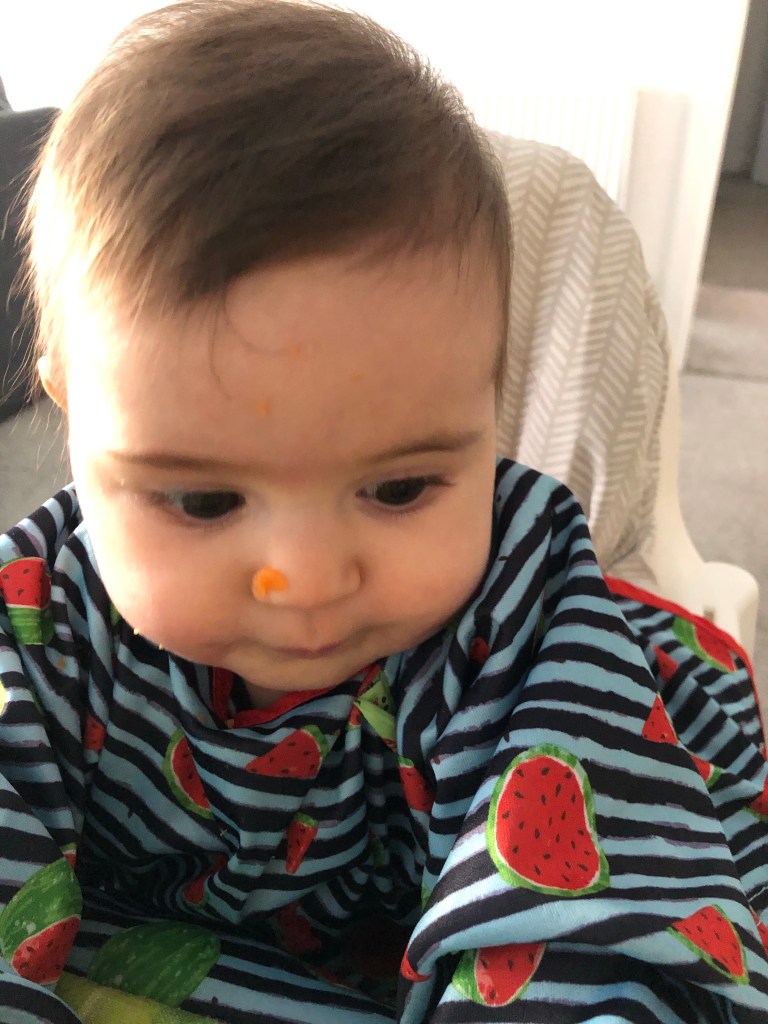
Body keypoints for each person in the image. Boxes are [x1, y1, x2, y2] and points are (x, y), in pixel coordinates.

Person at [0, 3, 767, 1022]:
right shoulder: (36, 623)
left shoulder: (526, 612)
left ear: (487, 405)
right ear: (69, 410)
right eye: (203, 498)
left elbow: (607, 941)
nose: (307, 579)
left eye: (399, 488)